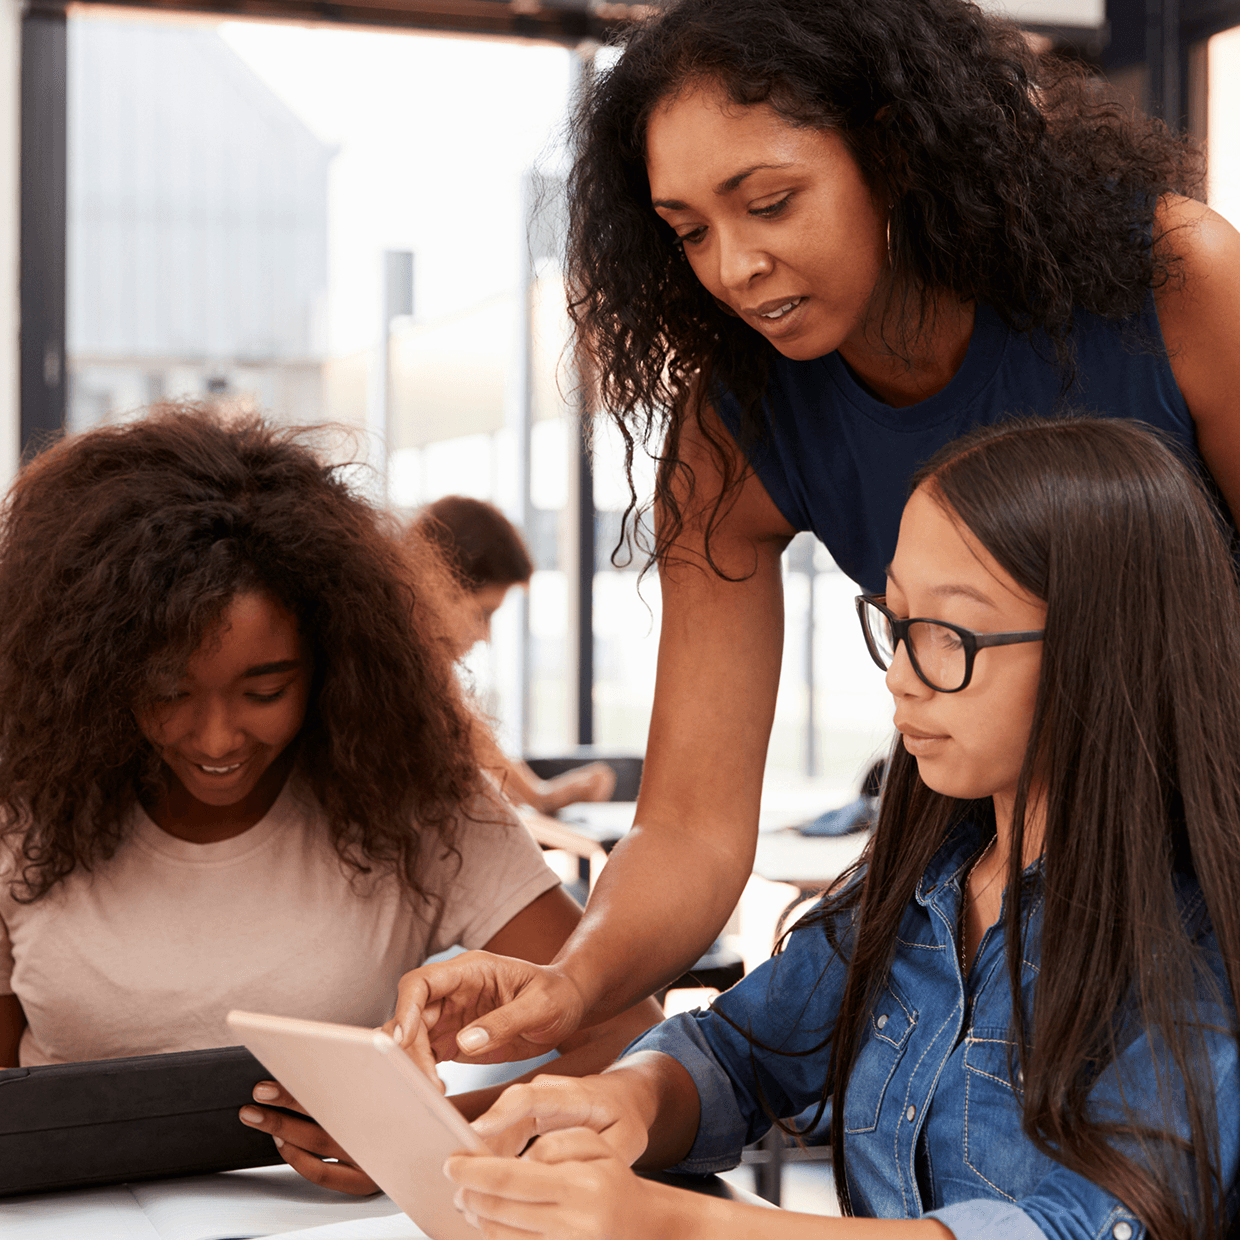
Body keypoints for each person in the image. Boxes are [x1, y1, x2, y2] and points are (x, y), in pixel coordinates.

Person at [386, 0, 1240, 1077]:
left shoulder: (1177, 279)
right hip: (1016, 899)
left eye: (771, 202)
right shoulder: (733, 430)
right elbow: (689, 826)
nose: (734, 266)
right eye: (689, 230)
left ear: (895, 148)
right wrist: (573, 982)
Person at [443, 418, 1240, 1240]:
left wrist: (681, 1226)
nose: (900, 678)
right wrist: (623, 1098)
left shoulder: (1193, 942)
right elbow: (735, 1053)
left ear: (1105, 646)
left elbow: (1084, 1227)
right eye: (895, 622)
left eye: (948, 634)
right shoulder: (916, 891)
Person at [0, 406, 659, 1193]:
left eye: (265, 689)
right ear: (97, 673)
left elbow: (630, 1030)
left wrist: (435, 1137)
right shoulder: (22, 809)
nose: (215, 739)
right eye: (166, 691)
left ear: (331, 661)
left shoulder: (418, 805)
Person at [411, 495, 616, 813]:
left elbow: (466, 728)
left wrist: (541, 796)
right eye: (484, 613)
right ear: (436, 586)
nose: (485, 636)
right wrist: (541, 797)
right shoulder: (386, 665)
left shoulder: (422, 672)